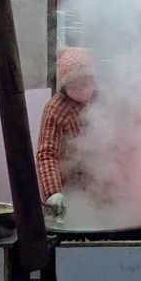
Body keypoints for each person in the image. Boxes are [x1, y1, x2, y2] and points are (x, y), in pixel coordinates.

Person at [36, 47, 96, 219]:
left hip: (103, 185)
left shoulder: (104, 99)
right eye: (74, 86)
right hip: (70, 187)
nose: (81, 89)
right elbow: (46, 154)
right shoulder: (55, 108)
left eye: (85, 84)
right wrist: (53, 192)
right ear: (64, 86)